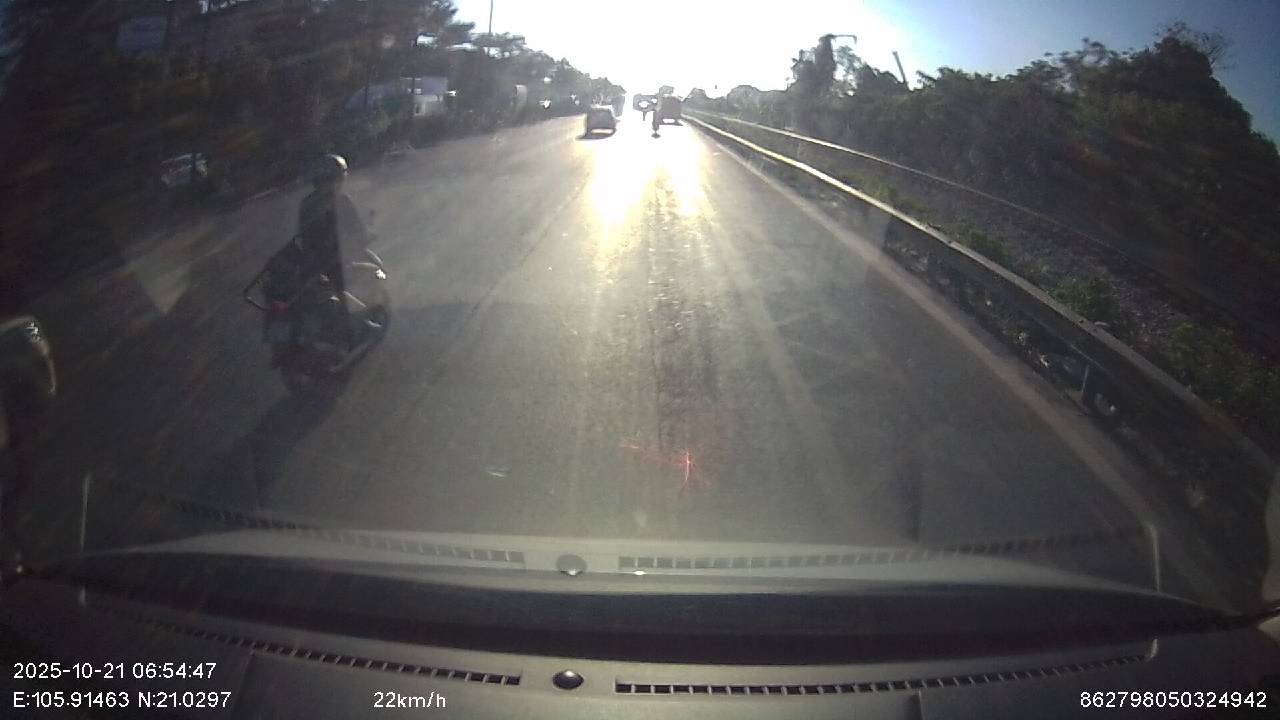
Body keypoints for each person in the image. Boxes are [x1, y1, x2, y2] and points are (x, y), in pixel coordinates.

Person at [295, 154, 370, 349]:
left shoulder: (307, 203)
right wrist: (362, 241)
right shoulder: (341, 200)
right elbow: (357, 229)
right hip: (330, 258)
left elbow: (305, 234)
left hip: (311, 260)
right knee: (345, 285)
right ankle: (355, 328)